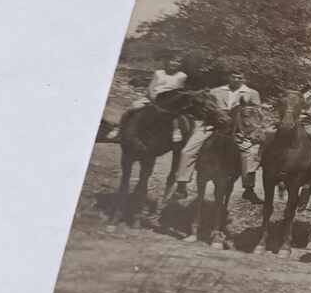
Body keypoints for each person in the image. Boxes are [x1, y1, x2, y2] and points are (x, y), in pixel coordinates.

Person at [175, 69, 262, 202]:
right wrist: (216, 116)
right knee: (188, 149)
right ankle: (182, 184)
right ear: (229, 77)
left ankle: (248, 188)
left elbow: (256, 112)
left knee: (250, 153)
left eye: (240, 77)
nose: (236, 80)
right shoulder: (216, 91)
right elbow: (206, 108)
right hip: (214, 124)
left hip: (239, 127)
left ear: (244, 79)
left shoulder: (252, 93)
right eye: (234, 77)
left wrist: (248, 125)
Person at [110, 51, 188, 141]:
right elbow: (151, 87)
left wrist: (173, 100)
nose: (175, 63)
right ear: (167, 61)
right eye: (172, 60)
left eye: (178, 62)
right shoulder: (159, 73)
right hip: (153, 97)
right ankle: (119, 128)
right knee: (132, 108)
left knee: (175, 113)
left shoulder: (182, 76)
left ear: (181, 64)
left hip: (168, 99)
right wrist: (153, 96)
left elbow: (179, 90)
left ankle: (176, 130)